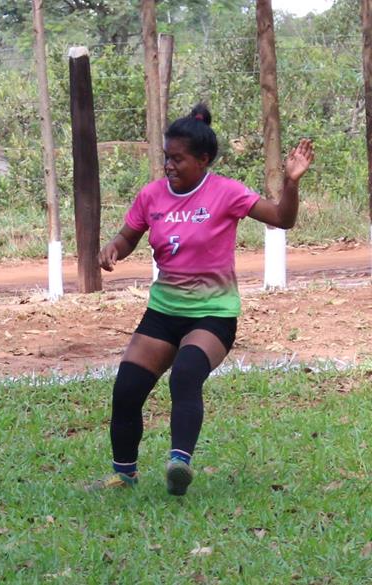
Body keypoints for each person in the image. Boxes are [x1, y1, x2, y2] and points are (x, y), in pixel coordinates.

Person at [93, 104, 314, 496]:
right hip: (163, 312)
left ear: (203, 160)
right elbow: (129, 237)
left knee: (186, 375)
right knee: (126, 388)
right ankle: (123, 474)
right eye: (166, 158)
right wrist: (114, 247)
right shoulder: (151, 196)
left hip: (213, 314)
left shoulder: (226, 192)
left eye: (178, 159)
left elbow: (282, 218)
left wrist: (291, 182)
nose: (170, 166)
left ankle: (179, 464)